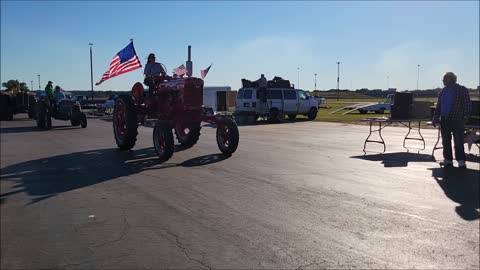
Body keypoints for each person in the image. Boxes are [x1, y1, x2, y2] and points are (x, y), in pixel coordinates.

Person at [432, 72, 471, 168]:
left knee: (458, 141)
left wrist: (465, 117)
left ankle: (461, 160)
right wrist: (435, 118)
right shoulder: (443, 91)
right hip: (445, 120)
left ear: (452, 79)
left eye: (445, 78)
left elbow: (467, 105)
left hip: (457, 119)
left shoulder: (461, 89)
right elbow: (439, 106)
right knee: (445, 141)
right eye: (443, 79)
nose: (443, 80)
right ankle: (448, 160)